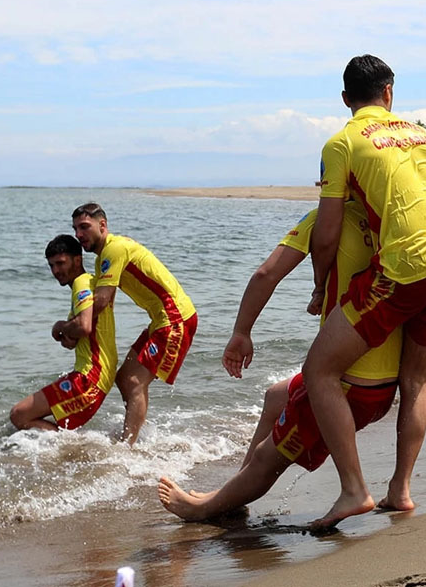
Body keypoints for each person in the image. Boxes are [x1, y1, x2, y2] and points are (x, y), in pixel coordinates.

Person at [302, 54, 426, 530]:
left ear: (345, 99)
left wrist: (319, 285)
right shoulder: (422, 133)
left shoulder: (342, 142)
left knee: (319, 370)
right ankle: (402, 490)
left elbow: (328, 231)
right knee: (416, 381)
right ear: (389, 92)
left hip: (406, 268)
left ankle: (354, 490)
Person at [157, 201, 403, 522]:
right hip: (382, 376)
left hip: (345, 385)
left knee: (268, 458)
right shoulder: (391, 222)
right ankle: (232, 494)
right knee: (276, 395)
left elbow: (266, 273)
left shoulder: (325, 219)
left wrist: (241, 332)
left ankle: (202, 509)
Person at [71, 203, 198, 445]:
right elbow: (107, 304)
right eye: (75, 229)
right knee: (124, 378)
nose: (79, 235)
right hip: (163, 319)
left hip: (175, 318)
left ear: (103, 225)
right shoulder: (104, 257)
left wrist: (71, 328)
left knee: (134, 382)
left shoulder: (114, 249)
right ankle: (137, 434)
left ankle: (127, 448)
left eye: (84, 227)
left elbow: (101, 301)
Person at [10, 235, 118, 431]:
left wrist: (59, 326)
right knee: (34, 419)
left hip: (89, 377)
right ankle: (71, 449)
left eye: (60, 263)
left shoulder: (81, 284)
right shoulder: (92, 282)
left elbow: (84, 326)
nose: (56, 271)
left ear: (77, 260)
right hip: (97, 377)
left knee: (19, 414)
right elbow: (86, 331)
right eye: (51, 266)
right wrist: (71, 335)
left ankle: (73, 450)